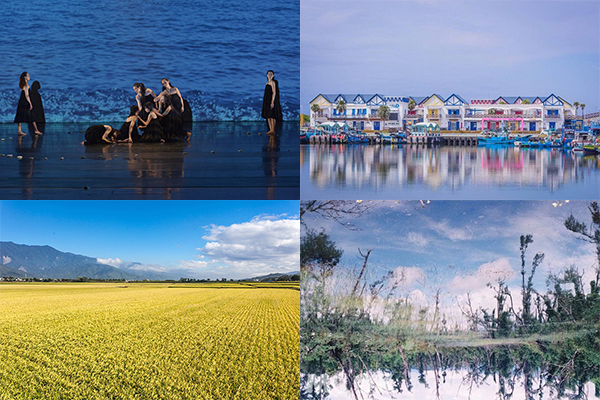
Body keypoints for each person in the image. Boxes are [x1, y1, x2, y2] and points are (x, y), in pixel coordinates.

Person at [261, 70, 282, 135]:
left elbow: (274, 92)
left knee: (272, 116)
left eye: (271, 74)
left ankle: (273, 129)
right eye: (268, 74)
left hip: (271, 100)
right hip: (266, 100)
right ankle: (270, 129)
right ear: (267, 75)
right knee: (268, 116)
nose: (270, 75)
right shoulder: (267, 83)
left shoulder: (273, 83)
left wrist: (272, 101)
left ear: (273, 75)